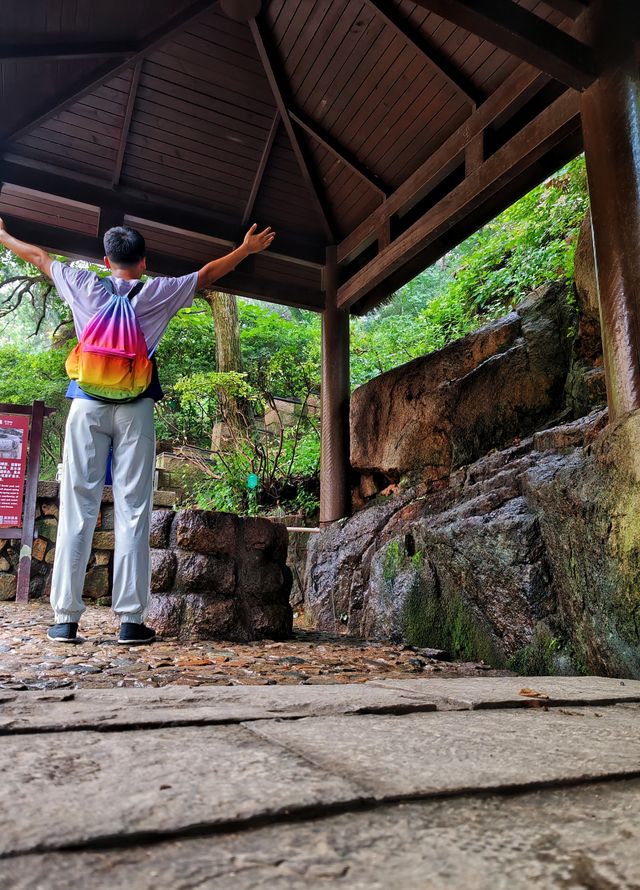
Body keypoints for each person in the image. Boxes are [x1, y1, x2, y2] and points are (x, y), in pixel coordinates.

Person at [0, 217, 275, 644]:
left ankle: (65, 620)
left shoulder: (82, 284)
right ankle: (130, 621)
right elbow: (206, 275)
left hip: (87, 406)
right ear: (143, 263)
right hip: (136, 409)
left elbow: (39, 256)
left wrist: (1, 235)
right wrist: (246, 249)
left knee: (78, 506)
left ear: (106, 260)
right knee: (133, 509)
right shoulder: (160, 291)